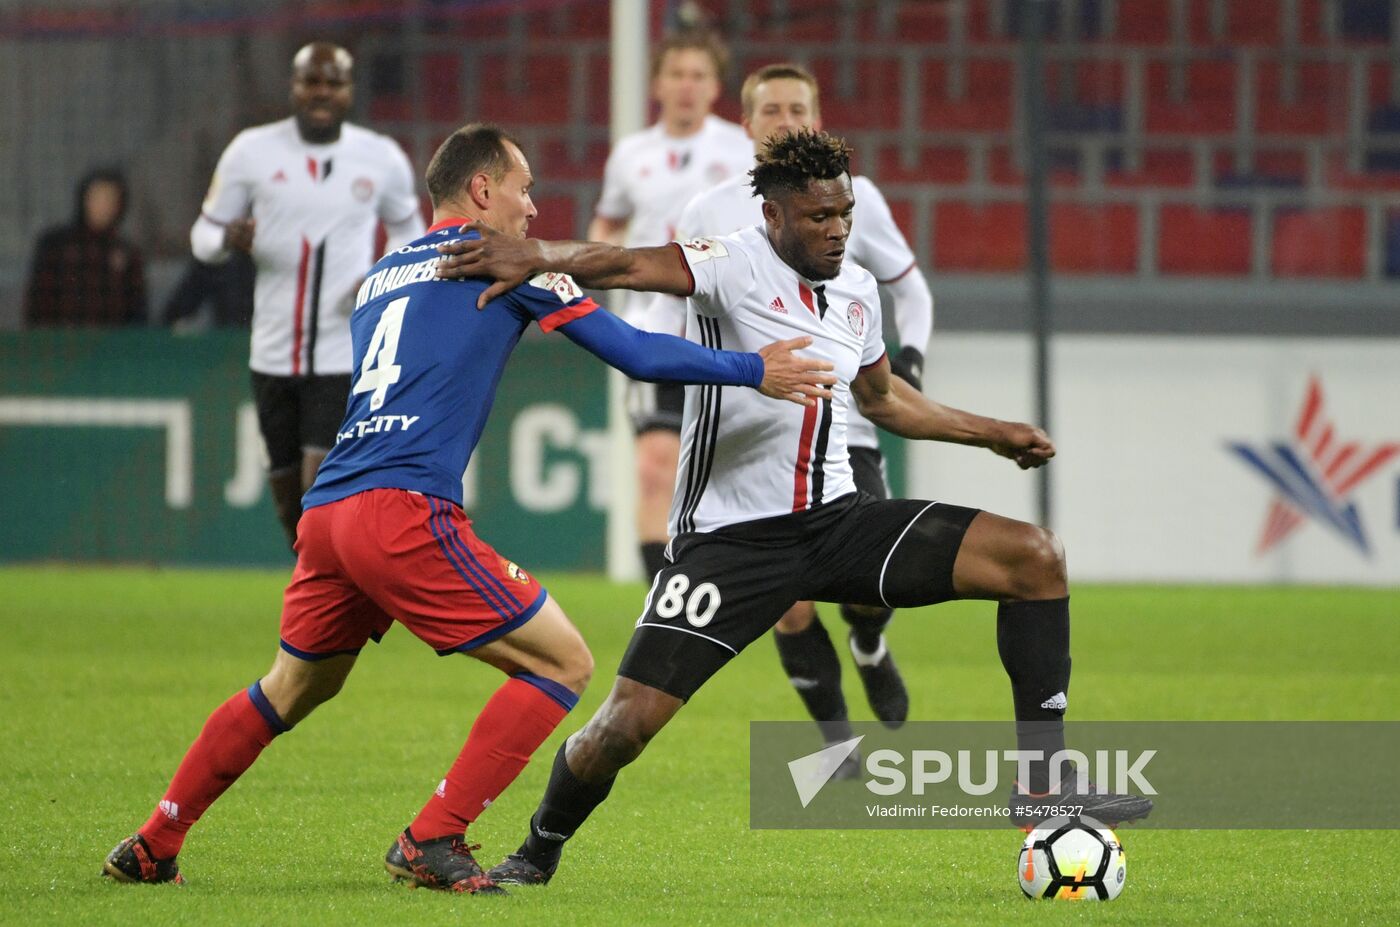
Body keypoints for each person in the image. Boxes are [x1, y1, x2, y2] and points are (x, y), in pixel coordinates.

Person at [100, 123, 835, 894]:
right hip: (402, 508)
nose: (533, 211)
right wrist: (755, 367)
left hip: (330, 511)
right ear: (482, 191)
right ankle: (433, 836)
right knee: (562, 662)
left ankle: (154, 839)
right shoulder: (506, 262)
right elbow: (637, 353)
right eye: (522, 189)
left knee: (294, 684)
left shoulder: (380, 275)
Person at [432, 128, 1154, 886]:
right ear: (774, 216)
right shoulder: (729, 259)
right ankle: (537, 850)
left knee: (1035, 556)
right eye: (819, 217)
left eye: (843, 211)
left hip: (837, 524)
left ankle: (1041, 788)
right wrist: (536, 256)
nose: (838, 228)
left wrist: (992, 433)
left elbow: (882, 398)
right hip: (730, 543)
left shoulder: (858, 290)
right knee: (622, 727)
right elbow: (623, 262)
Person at [640, 63, 936, 759]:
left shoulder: (853, 198)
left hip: (848, 424)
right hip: (752, 427)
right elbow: (669, 296)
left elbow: (910, 289)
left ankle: (868, 638)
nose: (785, 120)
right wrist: (657, 365)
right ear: (746, 126)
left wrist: (908, 365)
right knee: (789, 600)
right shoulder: (711, 208)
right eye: (769, 110)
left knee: (868, 589)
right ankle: (836, 744)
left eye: (797, 107)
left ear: (818, 115)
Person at [191, 41, 426, 550]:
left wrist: (380, 275)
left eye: (333, 83)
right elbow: (203, 236)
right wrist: (227, 240)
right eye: (311, 82)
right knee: (288, 500)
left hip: (345, 350)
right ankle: (321, 589)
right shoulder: (251, 152)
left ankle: (325, 609)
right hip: (272, 351)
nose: (322, 92)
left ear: (350, 90)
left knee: (319, 485)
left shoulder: (380, 157)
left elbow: (411, 234)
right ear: (293, 87)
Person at [587, 30, 753, 582]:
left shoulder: (740, 150)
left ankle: (734, 589)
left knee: (729, 474)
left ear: (715, 87)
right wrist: (612, 286)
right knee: (655, 469)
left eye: (698, 75)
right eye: (677, 74)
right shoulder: (632, 155)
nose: (686, 86)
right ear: (658, 84)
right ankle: (659, 600)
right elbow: (607, 223)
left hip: (726, 332)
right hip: (654, 333)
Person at [24, 167, 147, 327]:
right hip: (62, 343)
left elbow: (137, 311)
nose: (103, 206)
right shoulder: (56, 244)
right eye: (97, 198)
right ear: (84, 199)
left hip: (111, 345)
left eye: (110, 200)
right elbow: (38, 303)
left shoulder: (127, 252)